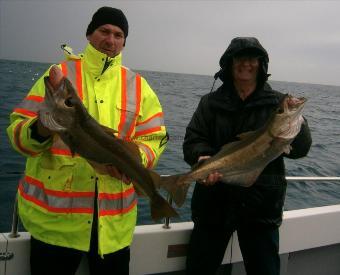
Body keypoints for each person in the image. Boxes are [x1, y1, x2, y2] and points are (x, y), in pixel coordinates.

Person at [7, 6, 167, 275]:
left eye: (118, 34)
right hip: (56, 226)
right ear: (89, 34)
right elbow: (17, 135)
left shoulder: (139, 85)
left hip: (112, 228)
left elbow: (156, 138)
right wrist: (42, 129)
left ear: (124, 41)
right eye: (104, 31)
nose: (110, 39)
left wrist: (133, 160)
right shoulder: (58, 74)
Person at [183, 37, 312, 275]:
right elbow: (193, 139)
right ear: (229, 64)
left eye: (252, 58)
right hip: (213, 204)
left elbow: (301, 151)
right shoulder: (210, 103)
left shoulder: (277, 103)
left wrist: (298, 122)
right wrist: (201, 157)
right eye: (239, 58)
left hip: (261, 207)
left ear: (261, 64)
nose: (246, 64)